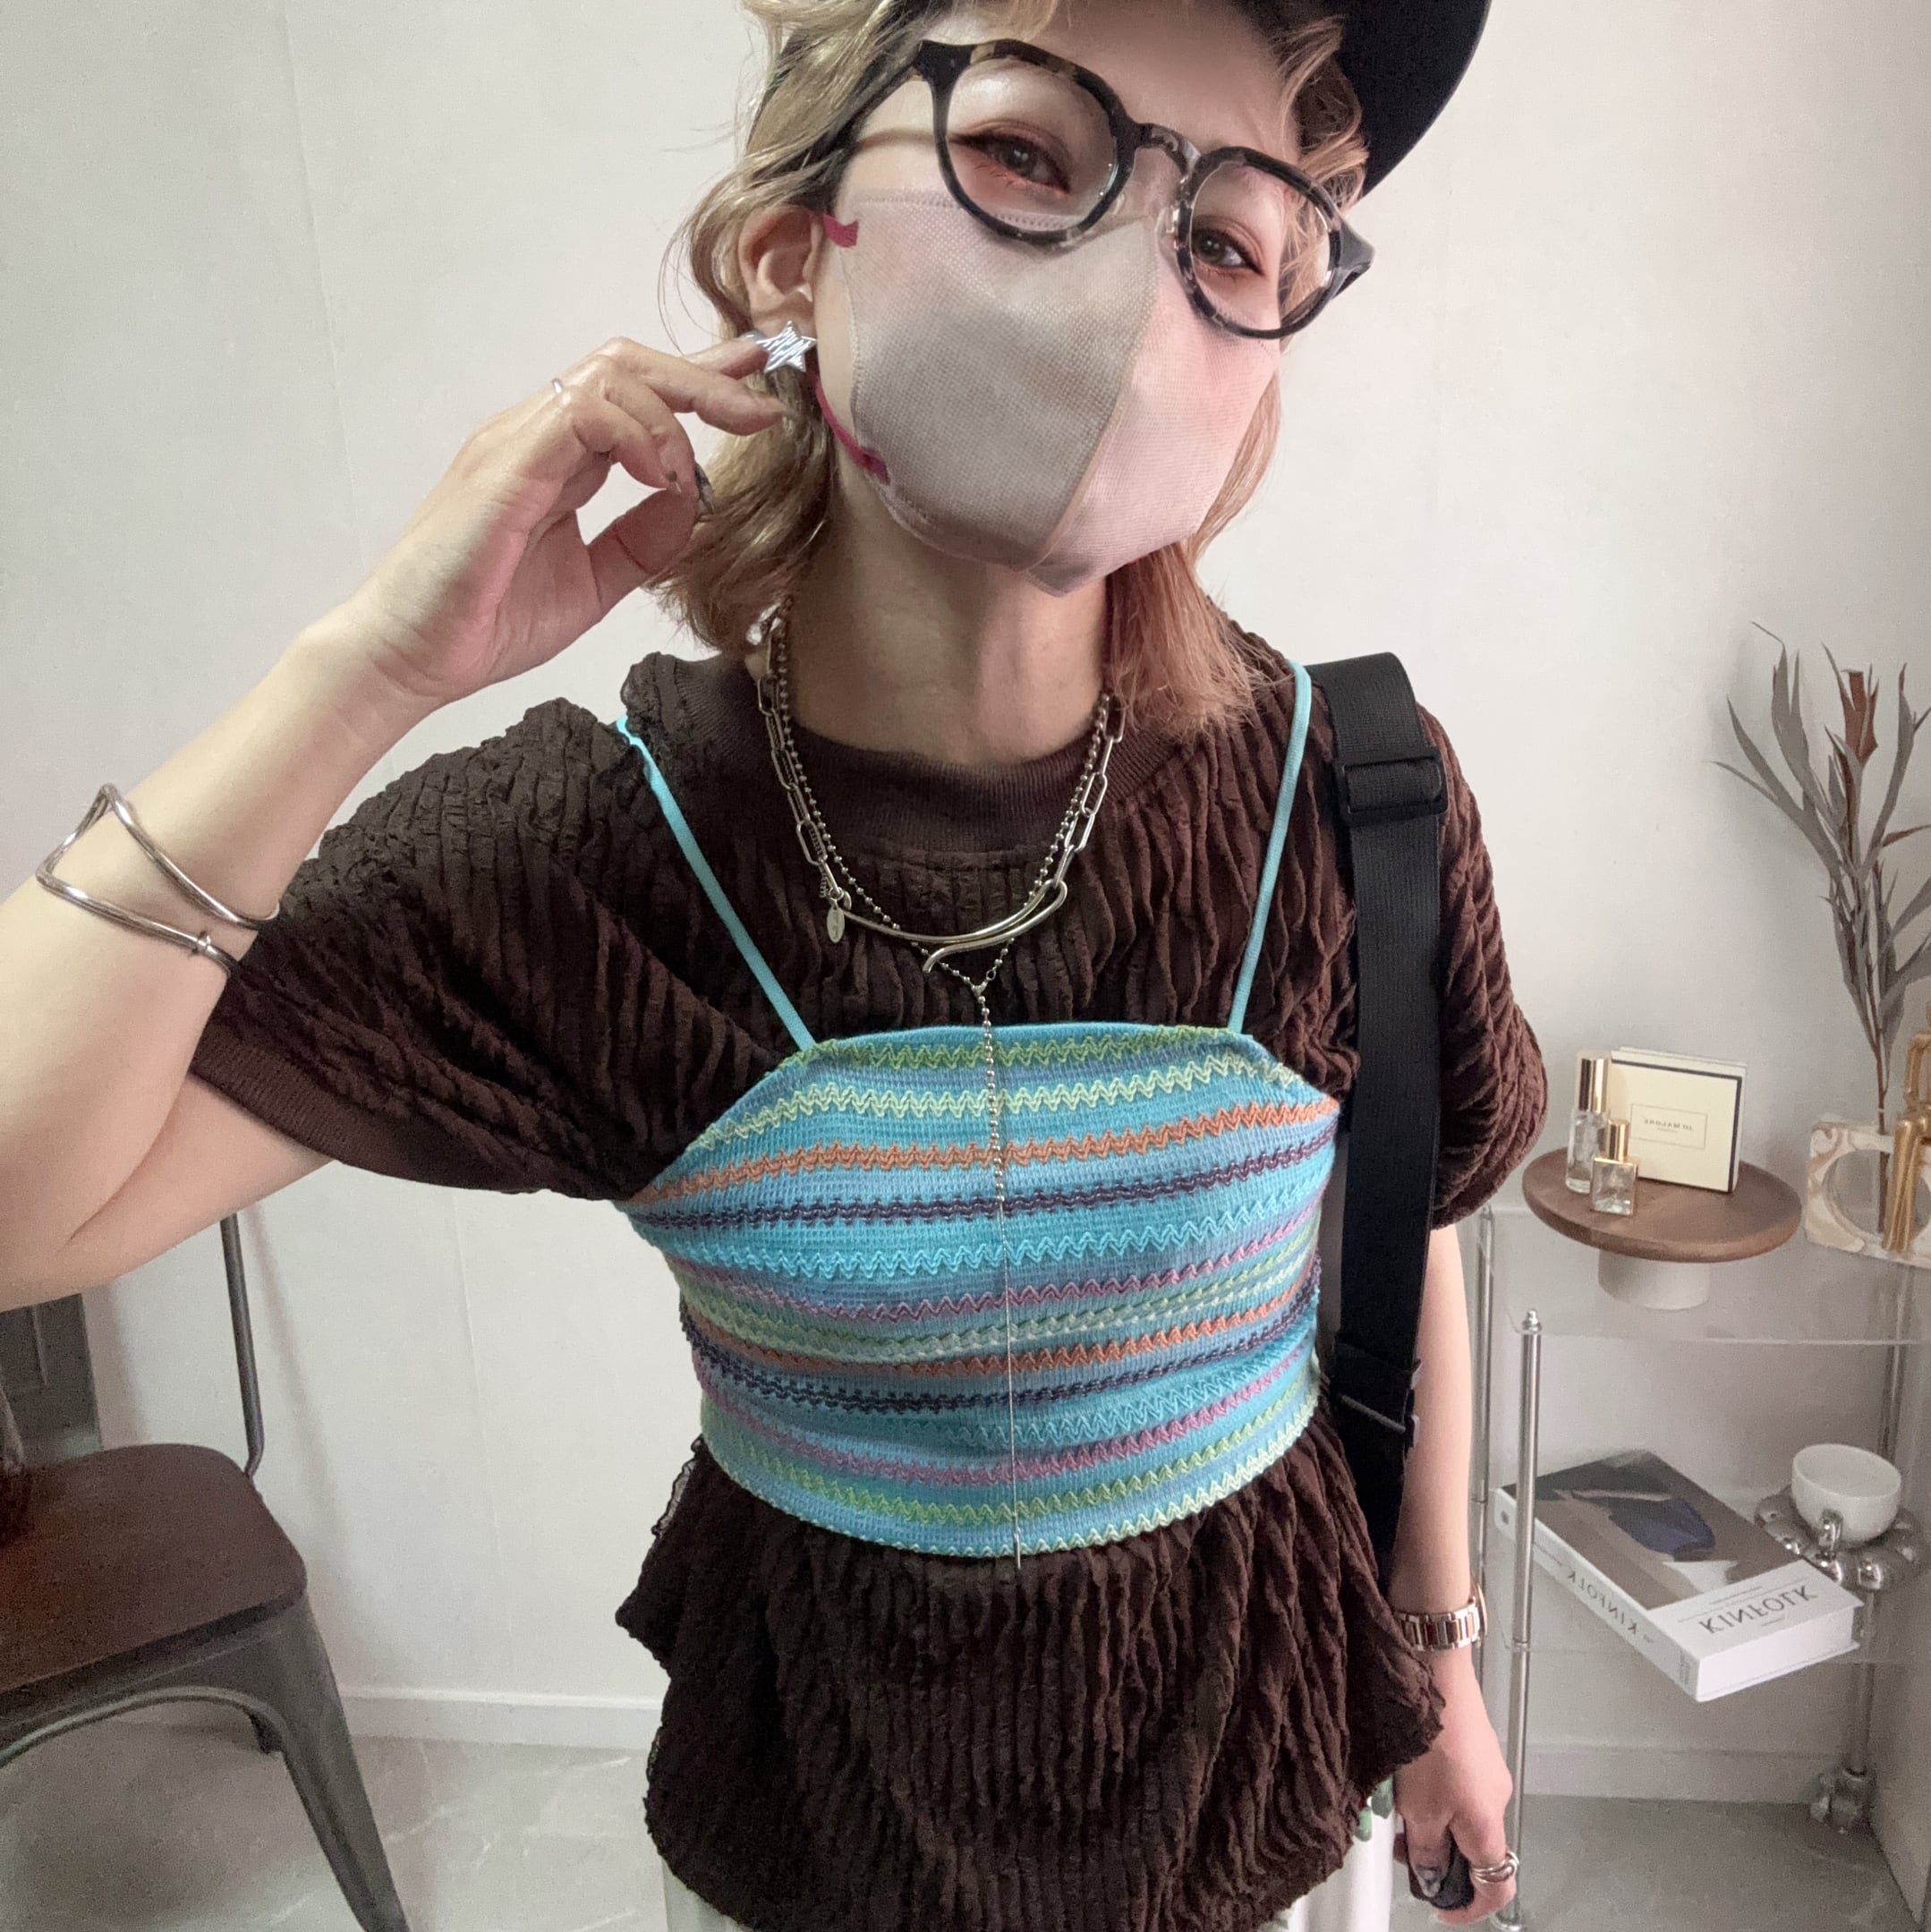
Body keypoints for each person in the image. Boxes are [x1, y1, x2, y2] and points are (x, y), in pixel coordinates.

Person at [0, 1, 1547, 1928]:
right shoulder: (591, 856)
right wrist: (367, 667)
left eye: (1230, 241)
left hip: (1253, 1794)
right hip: (813, 1826)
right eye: (1027, 153)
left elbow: (1401, 1220)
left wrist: (1442, 1669)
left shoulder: (1351, 797)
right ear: (789, 250)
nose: (1131, 285)